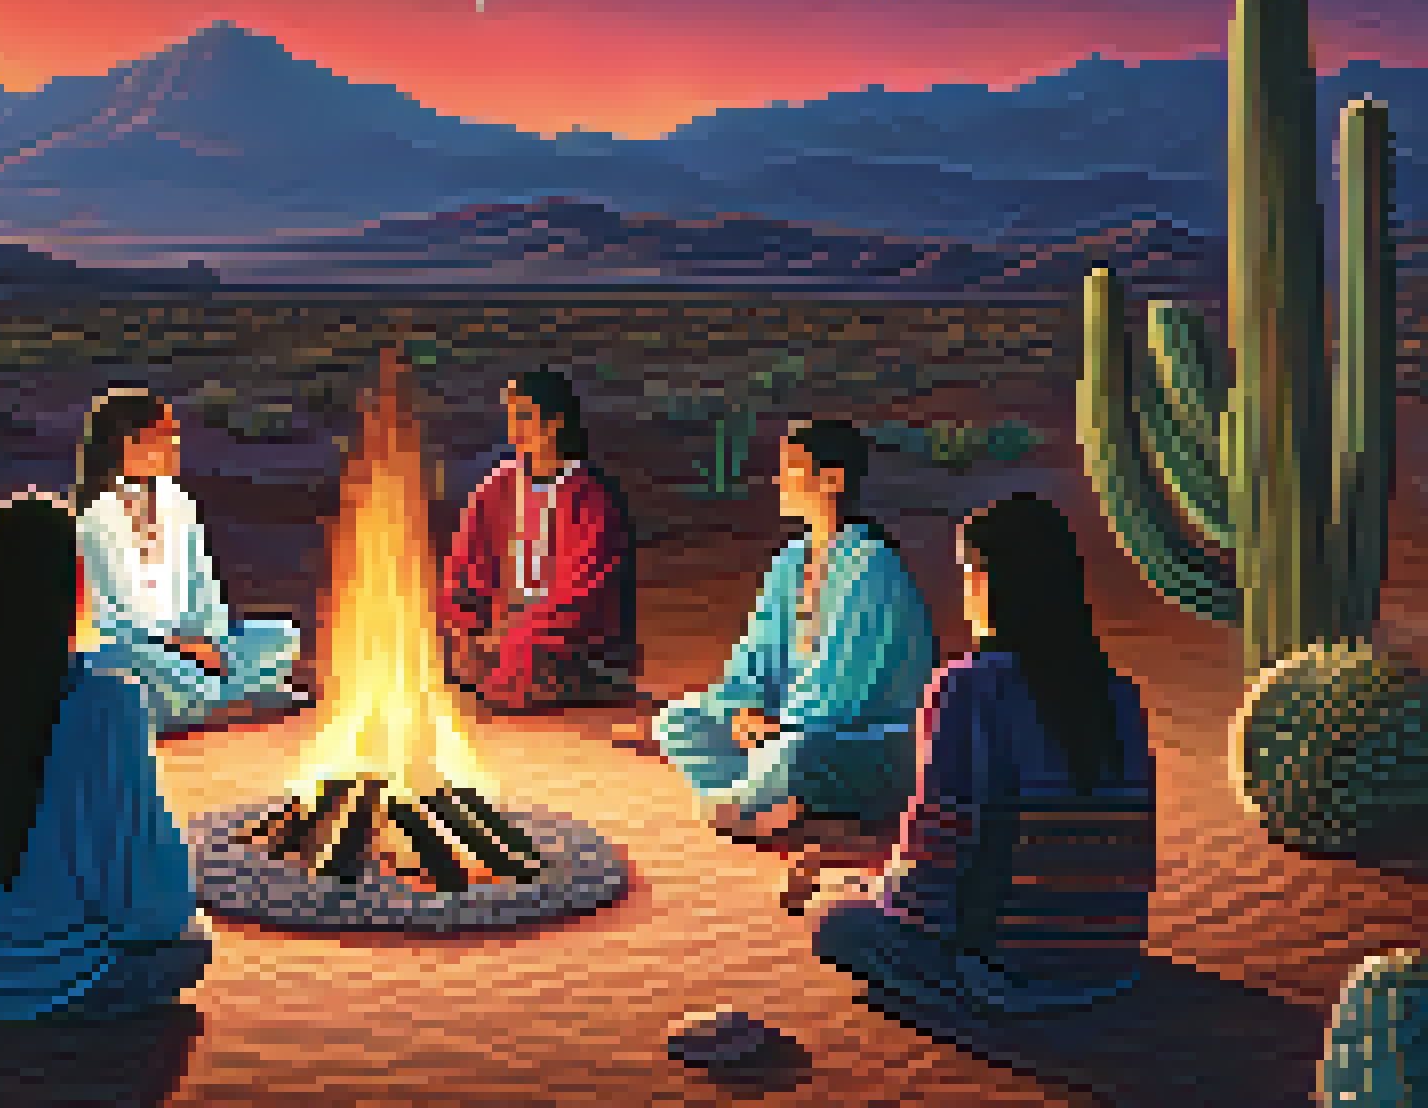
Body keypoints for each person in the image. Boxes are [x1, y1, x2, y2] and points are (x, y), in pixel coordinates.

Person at [813, 492, 1155, 1019]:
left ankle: (957, 998)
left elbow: (936, 858)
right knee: (856, 890)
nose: (965, 592)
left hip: (1005, 964)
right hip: (1111, 959)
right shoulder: (1118, 693)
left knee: (832, 919)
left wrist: (863, 896)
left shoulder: (967, 689)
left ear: (992, 582)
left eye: (969, 571)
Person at [0, 492, 213, 1022]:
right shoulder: (113, 701)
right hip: (82, 975)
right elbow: (154, 906)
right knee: (192, 945)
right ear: (73, 587)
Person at [655, 419, 937, 838]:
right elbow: (756, 652)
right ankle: (774, 800)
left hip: (856, 739)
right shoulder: (790, 561)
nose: (779, 479)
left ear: (832, 480)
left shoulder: (871, 563)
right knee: (677, 723)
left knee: (796, 752)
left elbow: (850, 685)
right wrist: (743, 706)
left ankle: (763, 800)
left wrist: (780, 725)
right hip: (782, 728)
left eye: (791, 467)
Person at [73, 388, 302, 734]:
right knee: (137, 661)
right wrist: (177, 644)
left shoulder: (179, 504)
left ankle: (215, 698)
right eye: (164, 438)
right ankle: (228, 700)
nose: (174, 447)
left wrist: (213, 646)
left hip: (195, 651)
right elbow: (112, 616)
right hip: (138, 652)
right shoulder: (95, 517)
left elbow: (206, 592)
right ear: (130, 445)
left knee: (281, 637)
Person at [439, 370, 640, 714]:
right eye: (512, 418)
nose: (515, 431)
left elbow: (583, 595)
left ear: (555, 424)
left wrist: (510, 631)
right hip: (498, 631)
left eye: (525, 418)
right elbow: (466, 569)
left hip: (565, 643)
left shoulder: (590, 497)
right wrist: (464, 623)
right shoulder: (496, 488)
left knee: (522, 657)